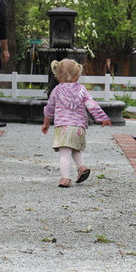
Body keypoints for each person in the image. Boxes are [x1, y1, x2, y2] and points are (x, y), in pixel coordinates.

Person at [42, 59, 112, 188]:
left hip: (63, 126)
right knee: (75, 148)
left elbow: (49, 109)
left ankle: (65, 178)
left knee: (64, 154)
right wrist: (102, 117)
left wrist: (46, 124)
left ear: (58, 76)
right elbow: (91, 104)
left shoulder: (56, 91)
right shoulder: (82, 90)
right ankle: (82, 167)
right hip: (78, 127)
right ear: (77, 76)